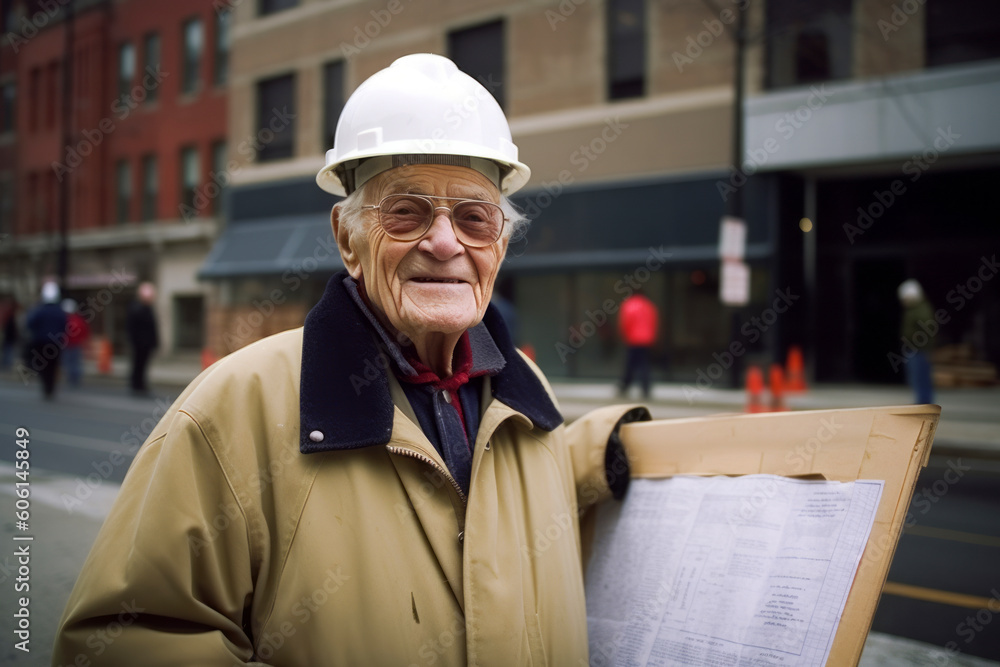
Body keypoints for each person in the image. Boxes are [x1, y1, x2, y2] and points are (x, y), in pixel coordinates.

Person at [54, 54, 648, 665]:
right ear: (347, 238)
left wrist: (609, 449)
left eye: (474, 218)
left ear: (498, 244)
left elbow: (510, 498)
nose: (444, 243)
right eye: (406, 212)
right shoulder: (234, 409)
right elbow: (121, 642)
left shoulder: (526, 396)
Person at [25, 281, 67, 399]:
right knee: (53, 366)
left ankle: (46, 388)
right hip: (55, 343)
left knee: (43, 366)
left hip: (41, 342)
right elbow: (65, 326)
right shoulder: (59, 311)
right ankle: (50, 388)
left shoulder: (39, 310)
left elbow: (30, 323)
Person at [618, 285, 659, 399]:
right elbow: (654, 322)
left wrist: (625, 336)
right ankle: (645, 388)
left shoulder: (629, 305)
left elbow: (625, 323)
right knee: (643, 365)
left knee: (630, 364)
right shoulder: (649, 305)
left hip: (633, 339)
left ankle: (624, 386)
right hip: (646, 340)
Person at [898, 279, 935, 404]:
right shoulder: (914, 309)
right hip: (915, 348)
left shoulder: (920, 309)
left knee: (921, 378)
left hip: (919, 349)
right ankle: (922, 402)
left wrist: (916, 341)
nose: (904, 301)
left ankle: (923, 402)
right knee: (917, 378)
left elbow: (928, 327)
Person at [126, 281, 159, 395]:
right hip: (140, 344)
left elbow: (152, 328)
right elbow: (133, 328)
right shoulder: (138, 309)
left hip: (145, 343)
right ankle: (137, 384)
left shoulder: (145, 308)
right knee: (138, 364)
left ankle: (139, 384)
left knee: (142, 365)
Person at [61, 298, 90, 387]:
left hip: (70, 344)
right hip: (73, 344)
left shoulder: (66, 320)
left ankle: (72, 378)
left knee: (70, 363)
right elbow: (85, 331)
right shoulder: (77, 319)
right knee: (74, 363)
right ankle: (74, 379)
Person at [1, 297, 18, 371]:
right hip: (9, 336)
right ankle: (6, 364)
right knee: (8, 350)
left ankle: (6, 364)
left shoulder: (9, 316)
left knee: (8, 350)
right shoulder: (10, 316)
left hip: (9, 336)